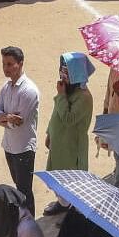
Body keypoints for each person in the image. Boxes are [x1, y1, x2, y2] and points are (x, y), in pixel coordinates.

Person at [43, 52, 95, 213]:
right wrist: (49, 133)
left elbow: (68, 118)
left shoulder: (84, 97)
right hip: (59, 144)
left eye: (66, 73)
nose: (62, 76)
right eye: (62, 71)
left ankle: (71, 212)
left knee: (72, 182)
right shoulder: (67, 91)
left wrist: (61, 96)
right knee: (58, 178)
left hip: (72, 148)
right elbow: (55, 115)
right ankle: (63, 204)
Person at [0, 46, 41, 213]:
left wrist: (2, 118)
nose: (5, 68)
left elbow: (16, 123)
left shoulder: (29, 91)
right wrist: (6, 117)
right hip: (9, 146)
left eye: (9, 64)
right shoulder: (6, 88)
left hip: (23, 148)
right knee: (18, 185)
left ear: (20, 64)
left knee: (24, 189)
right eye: (4, 64)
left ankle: (29, 224)